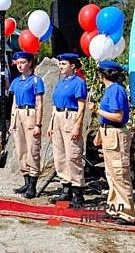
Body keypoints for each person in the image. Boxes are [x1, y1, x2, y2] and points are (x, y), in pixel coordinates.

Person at [88, 61, 134, 225]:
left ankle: (127, 212)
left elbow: (118, 117)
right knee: (111, 173)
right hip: (109, 132)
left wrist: (96, 110)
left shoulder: (115, 90)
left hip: (116, 133)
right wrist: (100, 133)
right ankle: (115, 208)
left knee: (120, 173)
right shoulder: (111, 90)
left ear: (103, 74)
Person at [47, 53, 87, 207]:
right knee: (60, 155)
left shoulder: (79, 82)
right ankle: (66, 188)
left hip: (70, 117)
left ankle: (78, 192)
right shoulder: (61, 82)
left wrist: (77, 126)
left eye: (64, 64)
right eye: (60, 63)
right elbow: (54, 105)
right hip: (58, 116)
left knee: (73, 154)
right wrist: (51, 124)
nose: (60, 66)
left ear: (73, 66)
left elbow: (81, 106)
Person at [9, 52, 44, 199]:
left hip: (30, 114)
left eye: (23, 62)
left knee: (32, 149)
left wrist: (38, 124)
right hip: (18, 114)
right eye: (18, 63)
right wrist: (12, 122)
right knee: (20, 149)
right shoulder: (16, 81)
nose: (19, 65)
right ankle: (26, 181)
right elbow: (14, 102)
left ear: (30, 63)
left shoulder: (36, 81)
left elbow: (39, 103)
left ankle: (32, 186)